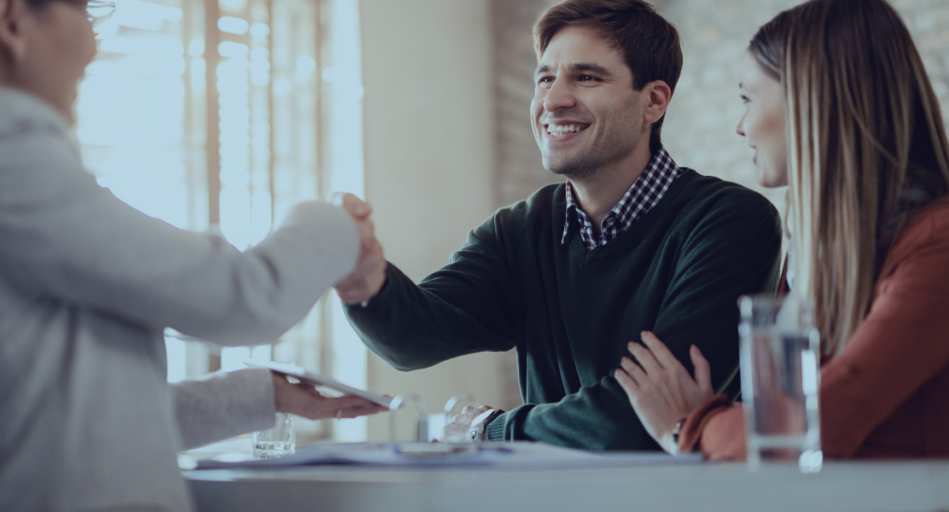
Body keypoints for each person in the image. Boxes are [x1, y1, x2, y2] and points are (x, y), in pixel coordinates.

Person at [0, 0, 385, 510]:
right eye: (85, 15)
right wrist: (338, 220)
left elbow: (77, 425)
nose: (94, 47)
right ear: (11, 19)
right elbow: (246, 298)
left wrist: (263, 395)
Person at [334, 0, 783, 450]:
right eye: (545, 78)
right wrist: (363, 279)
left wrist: (491, 428)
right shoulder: (518, 232)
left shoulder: (731, 223)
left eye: (586, 77)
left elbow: (639, 420)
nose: (553, 100)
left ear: (653, 101)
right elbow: (414, 338)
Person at [615, 0, 949, 459]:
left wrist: (688, 426)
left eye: (748, 99)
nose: (740, 126)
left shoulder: (937, 244)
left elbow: (813, 424)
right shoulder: (815, 255)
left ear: (812, 97)